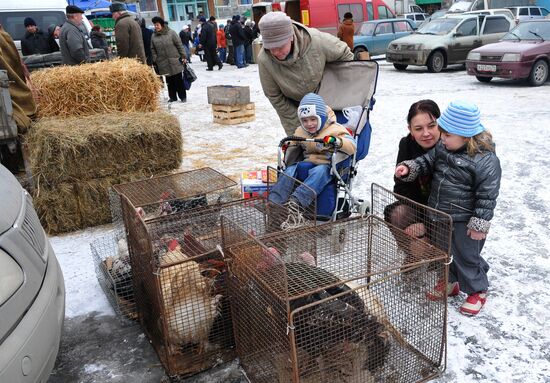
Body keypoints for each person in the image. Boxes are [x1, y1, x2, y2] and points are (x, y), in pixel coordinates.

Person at [395, 100, 501, 316]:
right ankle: (451, 282)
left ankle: (477, 290)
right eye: (442, 133)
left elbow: (487, 196)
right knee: (446, 252)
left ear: (466, 135)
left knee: (466, 255)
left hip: (465, 219)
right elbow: (426, 161)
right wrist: (410, 167)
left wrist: (480, 223)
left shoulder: (485, 160)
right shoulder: (443, 148)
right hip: (441, 214)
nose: (441, 138)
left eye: (447, 135)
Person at [257, 12, 353, 136]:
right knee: (304, 148)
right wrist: (299, 125)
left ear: (291, 37)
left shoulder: (317, 41)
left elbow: (346, 55)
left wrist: (339, 90)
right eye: (271, 47)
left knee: (338, 143)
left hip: (329, 102)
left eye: (280, 46)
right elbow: (274, 96)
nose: (276, 52)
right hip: (295, 107)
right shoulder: (264, 60)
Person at [269, 93, 356, 229]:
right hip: (307, 163)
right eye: (304, 120)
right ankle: (275, 202)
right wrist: (289, 145)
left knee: (320, 170)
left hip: (328, 167)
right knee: (291, 169)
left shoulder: (335, 129)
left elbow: (352, 146)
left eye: (313, 119)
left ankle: (296, 202)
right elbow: (294, 141)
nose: (309, 124)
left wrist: (337, 141)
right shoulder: (301, 131)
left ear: (321, 117)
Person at [151, 16, 187, 103]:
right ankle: (172, 97)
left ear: (162, 25)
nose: (156, 27)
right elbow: (152, 49)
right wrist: (155, 58)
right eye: (155, 25)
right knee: (169, 81)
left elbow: (179, 45)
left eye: (157, 25)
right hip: (162, 62)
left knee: (178, 80)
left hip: (174, 60)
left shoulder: (171, 33)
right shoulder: (153, 36)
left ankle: (182, 97)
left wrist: (184, 56)